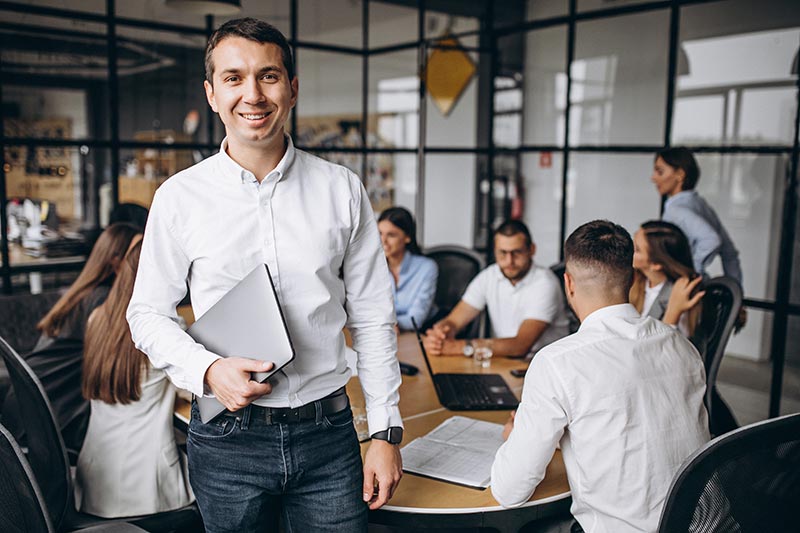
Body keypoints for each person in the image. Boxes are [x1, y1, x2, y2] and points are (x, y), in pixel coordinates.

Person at [126, 18, 402, 532]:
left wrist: (385, 433)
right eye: (233, 78)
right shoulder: (178, 198)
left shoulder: (342, 189)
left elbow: (373, 317)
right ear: (211, 94)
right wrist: (207, 371)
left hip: (330, 434)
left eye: (268, 76)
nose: (252, 94)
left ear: (293, 88)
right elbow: (146, 314)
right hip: (228, 437)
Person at [491, 219, 709, 532]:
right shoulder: (682, 346)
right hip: (700, 524)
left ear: (568, 284)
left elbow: (509, 491)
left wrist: (517, 437)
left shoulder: (557, 362)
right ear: (633, 279)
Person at [77, 236, 193, 518]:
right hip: (148, 491)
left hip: (92, 484)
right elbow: (194, 390)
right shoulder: (167, 330)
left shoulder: (97, 319)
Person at [1, 222, 140, 453]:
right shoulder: (101, 303)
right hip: (53, 414)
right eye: (137, 254)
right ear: (116, 262)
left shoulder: (83, 292)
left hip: (27, 408)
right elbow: (127, 358)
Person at [423, 220, 569, 359]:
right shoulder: (490, 276)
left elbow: (520, 345)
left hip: (543, 367)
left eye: (516, 252)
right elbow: (455, 320)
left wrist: (459, 347)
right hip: (504, 363)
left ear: (531, 250)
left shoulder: (545, 283)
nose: (509, 261)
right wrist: (442, 333)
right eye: (502, 253)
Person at [652, 147, 743, 285]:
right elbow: (729, 254)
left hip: (680, 288)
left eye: (660, 171)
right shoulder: (702, 206)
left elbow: (711, 240)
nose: (653, 178)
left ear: (680, 174)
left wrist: (691, 272)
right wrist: (735, 294)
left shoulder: (676, 210)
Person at [630, 220, 705, 339]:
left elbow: (667, 348)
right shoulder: (635, 282)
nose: (628, 249)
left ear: (655, 264)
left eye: (637, 249)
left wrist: (672, 313)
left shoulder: (680, 293)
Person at [378, 207, 438, 331]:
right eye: (379, 233)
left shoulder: (427, 268)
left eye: (391, 235)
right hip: (384, 333)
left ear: (407, 237)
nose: (383, 241)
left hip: (419, 334)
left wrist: (385, 323)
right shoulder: (374, 268)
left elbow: (416, 319)